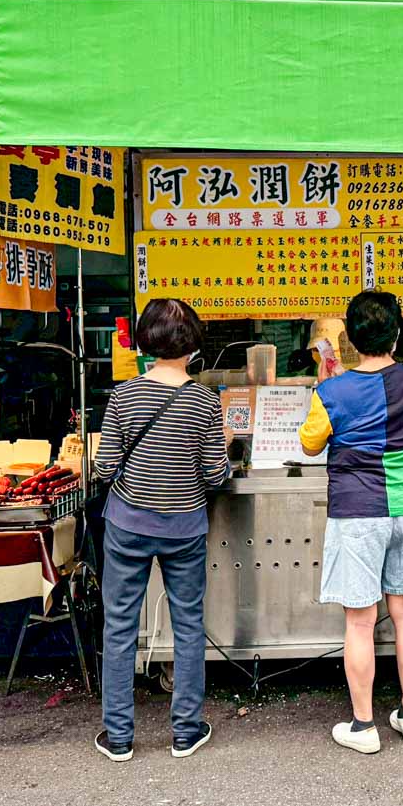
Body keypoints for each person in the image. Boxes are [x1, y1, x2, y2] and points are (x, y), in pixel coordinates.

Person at [299, 291, 403, 756]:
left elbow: (310, 446)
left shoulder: (331, 390)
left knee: (361, 622)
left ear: (348, 338)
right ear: (398, 333)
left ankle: (364, 724)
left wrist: (327, 384)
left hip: (357, 514)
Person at [93, 299, 230, 763]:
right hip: (184, 525)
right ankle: (186, 732)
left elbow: (106, 466)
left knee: (119, 626)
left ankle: (118, 736)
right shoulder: (205, 401)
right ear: (192, 345)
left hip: (128, 524)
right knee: (188, 625)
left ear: (146, 340)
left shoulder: (124, 396)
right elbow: (216, 476)